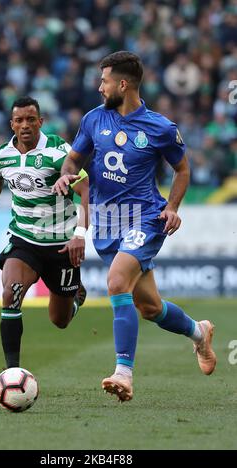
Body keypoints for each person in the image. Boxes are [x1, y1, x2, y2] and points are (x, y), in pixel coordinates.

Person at [53, 51, 216, 402]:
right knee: (150, 307)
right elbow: (73, 159)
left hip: (144, 217)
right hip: (107, 222)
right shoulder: (94, 120)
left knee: (115, 282)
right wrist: (67, 175)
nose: (99, 87)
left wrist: (172, 208)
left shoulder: (160, 127)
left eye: (105, 81)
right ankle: (199, 332)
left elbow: (183, 170)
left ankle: (123, 372)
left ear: (122, 84)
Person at [0, 96, 89, 370]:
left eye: (31, 120)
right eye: (19, 120)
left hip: (61, 244)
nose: (25, 125)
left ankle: (76, 297)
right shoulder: (2, 154)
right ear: (12, 124)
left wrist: (79, 234)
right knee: (11, 295)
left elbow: (84, 190)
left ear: (40, 122)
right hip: (24, 239)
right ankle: (11, 373)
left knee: (60, 320)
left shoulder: (59, 151)